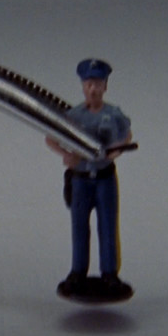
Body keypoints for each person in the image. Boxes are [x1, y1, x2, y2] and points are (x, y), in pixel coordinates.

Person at [46, 58, 133, 295]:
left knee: (108, 226)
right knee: (79, 228)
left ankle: (109, 274)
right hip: (81, 181)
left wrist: (114, 152)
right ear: (83, 87)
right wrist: (66, 155)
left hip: (105, 179)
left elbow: (127, 136)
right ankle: (77, 272)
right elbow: (50, 138)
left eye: (97, 84)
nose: (93, 89)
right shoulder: (73, 116)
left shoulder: (113, 114)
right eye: (88, 84)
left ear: (105, 86)